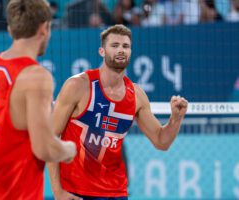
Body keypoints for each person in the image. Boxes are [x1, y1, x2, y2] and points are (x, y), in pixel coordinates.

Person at [48, 24, 188, 200]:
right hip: (78, 191)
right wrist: (57, 191)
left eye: (125, 46)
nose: (121, 50)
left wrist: (176, 118)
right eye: (114, 46)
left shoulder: (136, 95)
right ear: (102, 51)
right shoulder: (78, 85)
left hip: (116, 191)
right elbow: (51, 137)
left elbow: (162, 142)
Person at [0, 0, 76, 199]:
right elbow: (44, 148)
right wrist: (69, 149)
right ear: (44, 28)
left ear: (11, 30)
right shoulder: (36, 77)